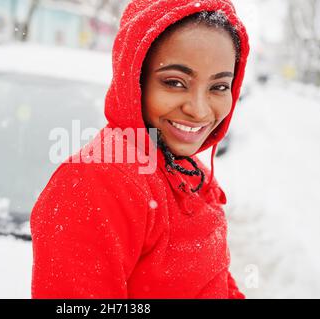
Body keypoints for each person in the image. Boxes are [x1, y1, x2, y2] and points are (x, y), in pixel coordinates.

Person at [30, 0, 250, 299]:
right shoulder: (97, 181)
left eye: (219, 87)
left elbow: (217, 283)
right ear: (134, 80)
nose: (199, 110)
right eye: (175, 82)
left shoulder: (185, 169)